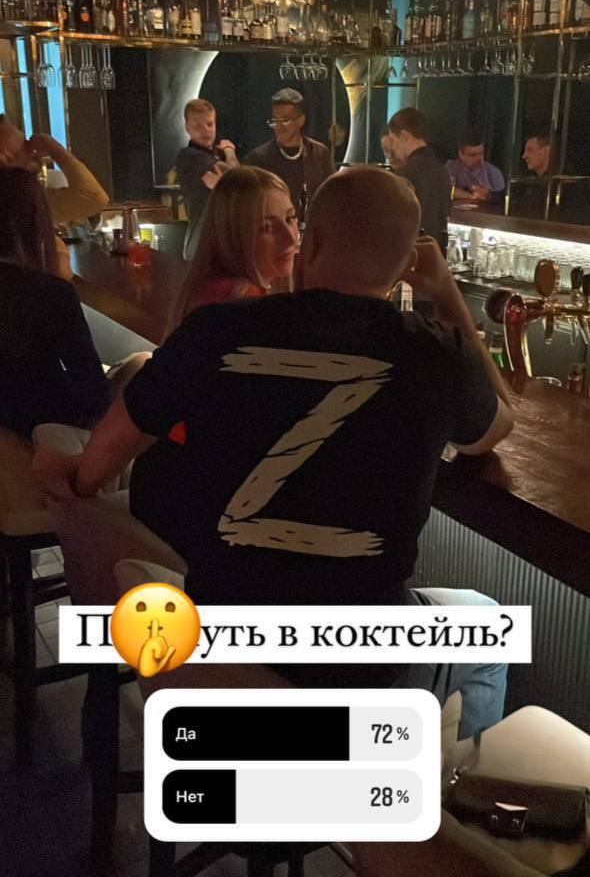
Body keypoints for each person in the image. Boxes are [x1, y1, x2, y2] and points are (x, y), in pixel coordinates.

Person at [38, 166, 512, 737]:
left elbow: (108, 450)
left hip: (215, 648)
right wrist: (447, 293)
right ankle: (421, 789)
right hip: (358, 668)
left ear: (310, 242)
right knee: (487, 624)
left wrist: (78, 481)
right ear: (408, 260)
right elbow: (492, 431)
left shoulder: (212, 330)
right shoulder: (436, 353)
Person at [0, 167, 108, 438]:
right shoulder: (49, 293)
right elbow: (93, 390)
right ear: (35, 219)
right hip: (38, 432)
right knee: (139, 367)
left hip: (13, 433)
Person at [168, 165, 299, 332]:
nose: (291, 239)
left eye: (290, 218)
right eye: (268, 227)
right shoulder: (240, 304)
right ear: (233, 234)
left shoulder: (210, 284)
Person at [0, 116, 109, 278]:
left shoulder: (25, 200)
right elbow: (92, 197)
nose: (34, 150)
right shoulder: (21, 205)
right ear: (4, 159)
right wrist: (56, 150)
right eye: (24, 146)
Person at [243, 88, 334, 224]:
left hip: (314, 229)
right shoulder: (258, 158)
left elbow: (330, 197)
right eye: (275, 120)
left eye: (285, 120)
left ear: (301, 121)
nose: (278, 127)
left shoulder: (319, 153)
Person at [174, 98, 238, 262]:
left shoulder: (215, 156)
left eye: (210, 124)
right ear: (187, 127)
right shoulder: (189, 156)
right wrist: (230, 151)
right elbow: (239, 177)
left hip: (218, 243)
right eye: (198, 125)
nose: (206, 130)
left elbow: (240, 183)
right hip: (202, 246)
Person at [388, 107, 452, 253]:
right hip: (437, 253)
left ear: (404, 136)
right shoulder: (442, 170)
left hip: (412, 254)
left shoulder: (406, 174)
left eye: (393, 140)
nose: (393, 148)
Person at [447, 130, 505, 203]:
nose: (478, 159)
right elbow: (444, 189)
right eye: (472, 155)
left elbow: (501, 200)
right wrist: (471, 196)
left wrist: (489, 195)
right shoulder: (451, 168)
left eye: (481, 153)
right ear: (461, 154)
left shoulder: (493, 173)